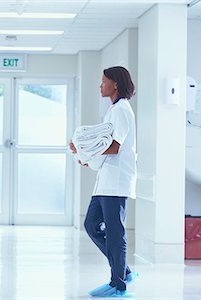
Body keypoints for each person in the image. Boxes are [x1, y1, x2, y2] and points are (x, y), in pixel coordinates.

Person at [69, 66, 138, 298]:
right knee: (91, 225)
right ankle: (124, 271)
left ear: (115, 84)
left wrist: (84, 150)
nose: (100, 85)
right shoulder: (113, 110)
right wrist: (83, 152)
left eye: (103, 81)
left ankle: (119, 284)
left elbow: (115, 146)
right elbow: (104, 145)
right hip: (106, 180)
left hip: (116, 181)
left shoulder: (121, 110)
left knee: (115, 232)